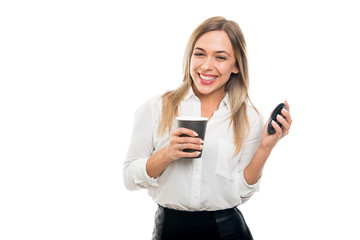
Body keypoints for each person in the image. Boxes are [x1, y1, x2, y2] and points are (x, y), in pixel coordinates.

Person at [123, 16, 292, 240]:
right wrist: (166, 154)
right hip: (171, 230)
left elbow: (241, 192)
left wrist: (265, 148)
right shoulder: (157, 108)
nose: (206, 65)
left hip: (228, 231)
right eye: (199, 53)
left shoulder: (249, 116)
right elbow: (129, 179)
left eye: (220, 57)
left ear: (236, 67)